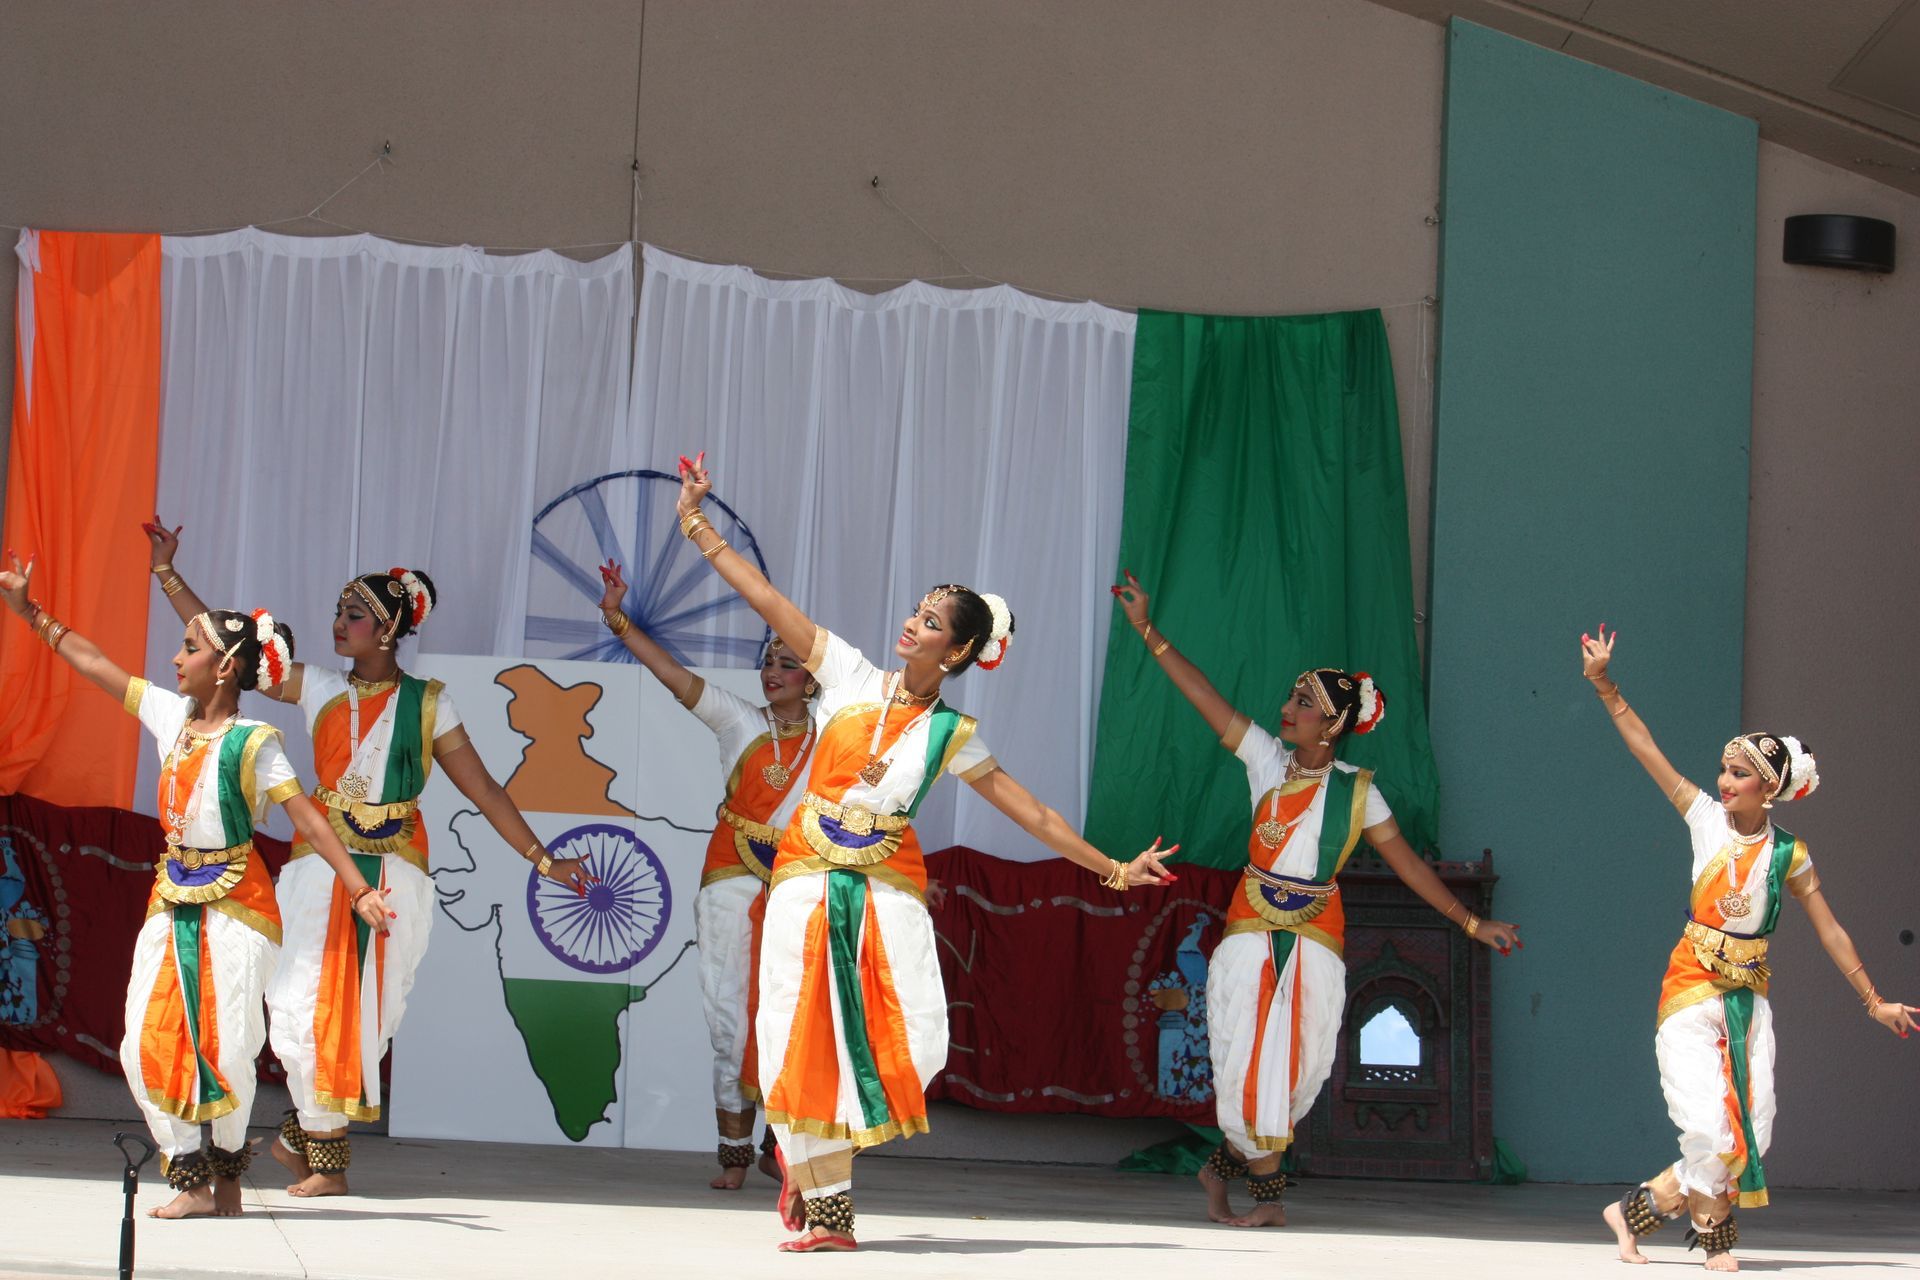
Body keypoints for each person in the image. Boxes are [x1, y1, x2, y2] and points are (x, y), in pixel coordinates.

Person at [673, 452, 1177, 1252]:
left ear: (956, 654)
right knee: (801, 1029)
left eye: (934, 622)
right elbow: (767, 597)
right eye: (917, 609)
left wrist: (1114, 868)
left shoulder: (952, 734)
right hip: (805, 880)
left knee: (906, 1034)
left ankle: (816, 1165)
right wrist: (697, 524)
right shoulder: (845, 675)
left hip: (884, 891)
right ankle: (824, 1196)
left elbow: (1038, 815)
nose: (914, 621)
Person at [142, 520, 587, 1197]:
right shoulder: (318, 686)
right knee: (295, 1006)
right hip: (320, 867)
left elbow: (486, 788)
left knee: (370, 1018)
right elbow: (226, 646)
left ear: (387, 631)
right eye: (338, 613)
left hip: (400, 871)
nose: (338, 623)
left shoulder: (431, 704)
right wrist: (169, 575)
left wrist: (542, 858)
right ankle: (326, 1157)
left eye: (354, 615)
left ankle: (308, 1142)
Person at [1111, 570, 1521, 1228]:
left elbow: (1411, 867)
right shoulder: (1266, 764)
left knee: (1295, 1074)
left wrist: (1472, 922)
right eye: (1293, 697)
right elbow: (1206, 699)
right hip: (1250, 931)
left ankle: (1220, 1170)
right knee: (1249, 1064)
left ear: (1331, 721)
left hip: (1316, 937)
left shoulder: (1360, 793)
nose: (1289, 707)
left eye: (1303, 701)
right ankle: (1265, 1201)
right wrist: (1147, 631)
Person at [0, 550, 391, 1218]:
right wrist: (31, 614)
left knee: (231, 1045)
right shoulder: (170, 717)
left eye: (188, 650)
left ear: (226, 667)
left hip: (240, 904)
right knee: (137, 1043)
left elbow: (310, 821)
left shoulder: (256, 741)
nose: (175, 660)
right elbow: (95, 665)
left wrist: (359, 889)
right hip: (171, 895)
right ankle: (189, 1176)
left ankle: (226, 1178)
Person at [1582, 622, 1915, 1272]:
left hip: (1748, 1000)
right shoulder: (1704, 818)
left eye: (1739, 773)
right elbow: (1648, 751)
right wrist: (1605, 686)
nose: (1724, 780)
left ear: (1768, 786)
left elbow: (1830, 928)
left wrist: (1872, 1000)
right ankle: (1716, 1243)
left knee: (1750, 1132)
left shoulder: (1789, 854)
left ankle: (1634, 1211)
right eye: (1724, 769)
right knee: (1708, 1125)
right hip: (1690, 989)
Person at [596, 557, 817, 1189]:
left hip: (801, 877)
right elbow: (672, 675)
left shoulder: (834, 735)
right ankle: (733, 1155)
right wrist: (617, 619)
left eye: (787, 663)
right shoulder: (737, 719)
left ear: (813, 678)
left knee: (794, 1011)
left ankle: (785, 1138)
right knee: (727, 1012)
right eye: (768, 662)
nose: (772, 673)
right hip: (731, 871)